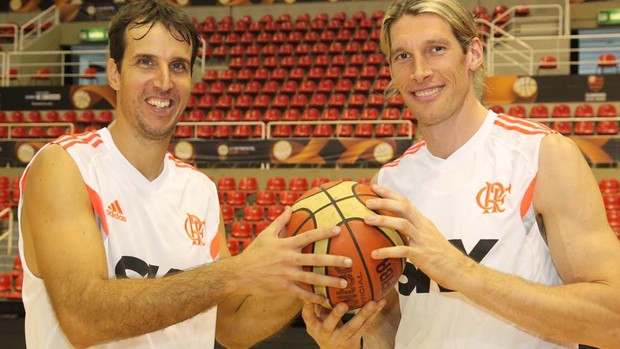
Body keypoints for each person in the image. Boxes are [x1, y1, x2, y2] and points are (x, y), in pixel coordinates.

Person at [17, 1, 353, 348]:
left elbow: (232, 326)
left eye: (177, 66)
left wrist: (311, 270)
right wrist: (236, 271)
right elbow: (86, 319)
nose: (163, 82)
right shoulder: (65, 166)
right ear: (114, 73)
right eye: (146, 62)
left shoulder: (199, 189)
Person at [301, 0, 620, 348]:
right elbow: (394, 321)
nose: (419, 71)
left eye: (436, 49)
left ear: (474, 54)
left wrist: (461, 272)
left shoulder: (542, 156)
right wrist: (349, 341)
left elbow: (611, 321)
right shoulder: (387, 185)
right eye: (402, 56)